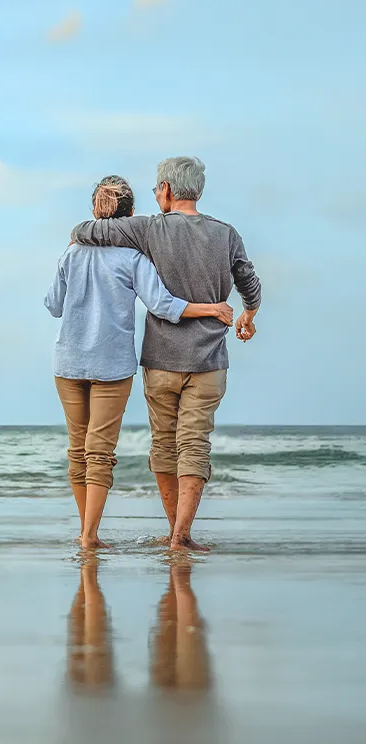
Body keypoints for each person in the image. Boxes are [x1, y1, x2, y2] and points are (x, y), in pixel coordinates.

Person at [72, 158, 262, 552]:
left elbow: (84, 231)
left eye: (158, 189)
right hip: (209, 360)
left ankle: (173, 529)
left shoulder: (148, 229)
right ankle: (181, 536)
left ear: (167, 190)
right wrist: (249, 314)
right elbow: (248, 279)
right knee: (195, 444)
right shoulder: (225, 233)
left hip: (160, 358)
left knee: (164, 444)